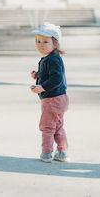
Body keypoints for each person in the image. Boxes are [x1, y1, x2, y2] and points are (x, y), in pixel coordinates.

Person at [30, 22, 70, 163]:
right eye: (38, 41)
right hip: (61, 98)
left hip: (52, 99)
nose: (41, 44)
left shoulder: (52, 59)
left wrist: (42, 87)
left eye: (45, 41)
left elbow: (57, 78)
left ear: (55, 43)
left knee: (47, 126)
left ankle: (46, 153)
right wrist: (38, 75)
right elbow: (52, 75)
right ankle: (62, 151)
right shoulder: (51, 58)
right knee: (58, 126)